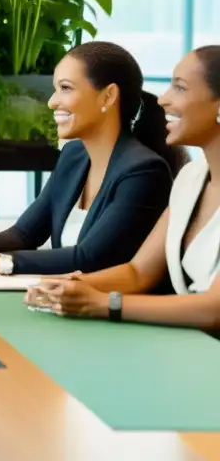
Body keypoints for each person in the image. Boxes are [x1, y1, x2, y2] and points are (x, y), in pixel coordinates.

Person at [0, 41, 182, 277]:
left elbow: (91, 258)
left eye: (65, 88)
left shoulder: (144, 171)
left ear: (107, 97)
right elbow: (24, 234)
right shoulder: (73, 156)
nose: (52, 102)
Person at [28, 46, 220, 328]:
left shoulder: (144, 170)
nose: (163, 100)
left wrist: (104, 303)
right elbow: (137, 273)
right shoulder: (192, 178)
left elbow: (213, 309)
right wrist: (64, 285)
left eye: (179, 88)